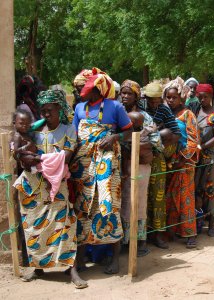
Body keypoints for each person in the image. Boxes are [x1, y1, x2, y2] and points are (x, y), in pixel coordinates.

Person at [13, 90, 87, 288]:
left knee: (65, 227)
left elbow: (67, 158)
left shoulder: (69, 130)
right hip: (34, 187)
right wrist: (31, 157)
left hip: (57, 184)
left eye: (50, 110)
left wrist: (38, 159)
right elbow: (21, 156)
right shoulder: (34, 131)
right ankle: (37, 268)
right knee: (34, 227)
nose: (46, 114)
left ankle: (71, 269)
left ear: (60, 109)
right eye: (43, 110)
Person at [70, 67, 133, 274]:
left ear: (98, 90)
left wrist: (114, 137)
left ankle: (115, 260)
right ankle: (80, 259)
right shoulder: (80, 108)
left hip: (108, 164)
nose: (82, 92)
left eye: (86, 89)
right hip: (84, 166)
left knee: (110, 207)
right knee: (82, 208)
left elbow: (129, 131)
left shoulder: (115, 107)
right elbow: (74, 136)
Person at [119, 79, 162, 256]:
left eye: (129, 93)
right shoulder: (116, 114)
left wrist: (140, 145)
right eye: (123, 92)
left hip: (140, 164)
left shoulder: (146, 117)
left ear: (136, 97)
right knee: (122, 203)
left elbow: (157, 143)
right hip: (119, 166)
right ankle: (123, 240)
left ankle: (140, 240)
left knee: (139, 202)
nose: (125, 96)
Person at [141, 81, 180, 249]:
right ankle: (142, 235)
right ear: (145, 97)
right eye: (151, 100)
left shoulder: (164, 109)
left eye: (157, 100)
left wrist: (155, 134)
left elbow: (176, 133)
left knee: (157, 196)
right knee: (142, 196)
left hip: (157, 156)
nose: (154, 103)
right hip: (140, 157)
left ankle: (158, 234)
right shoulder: (140, 108)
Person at [164, 77, 200, 248]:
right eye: (168, 97)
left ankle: (190, 233)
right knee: (169, 197)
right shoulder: (165, 113)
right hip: (168, 161)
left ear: (182, 97)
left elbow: (194, 140)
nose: (171, 100)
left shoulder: (188, 114)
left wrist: (182, 159)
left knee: (186, 198)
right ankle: (171, 231)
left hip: (185, 163)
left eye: (174, 97)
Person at [195, 83, 214, 236]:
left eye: (205, 97)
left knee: (211, 189)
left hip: (210, 157)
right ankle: (198, 222)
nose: (202, 100)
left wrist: (203, 146)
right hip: (195, 158)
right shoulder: (195, 111)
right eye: (200, 97)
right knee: (197, 190)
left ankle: (212, 224)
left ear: (211, 97)